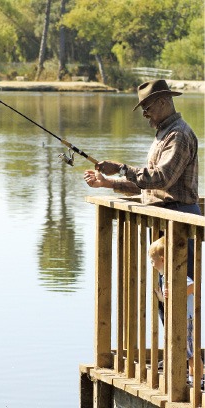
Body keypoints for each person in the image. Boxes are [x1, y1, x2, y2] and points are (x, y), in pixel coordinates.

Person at [84, 79, 201, 276]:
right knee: (165, 295)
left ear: (163, 102)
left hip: (179, 221)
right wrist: (109, 183)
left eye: (147, 107)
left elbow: (162, 178)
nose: (145, 114)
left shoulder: (178, 135)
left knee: (183, 292)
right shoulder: (164, 133)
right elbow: (150, 185)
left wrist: (121, 168)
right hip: (164, 220)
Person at [149, 236, 202, 386]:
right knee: (184, 350)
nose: (152, 265)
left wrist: (174, 293)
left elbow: (193, 286)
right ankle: (191, 381)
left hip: (187, 318)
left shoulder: (176, 275)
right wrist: (161, 297)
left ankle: (198, 381)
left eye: (153, 261)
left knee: (191, 352)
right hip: (178, 318)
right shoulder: (165, 276)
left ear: (163, 259)